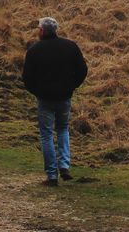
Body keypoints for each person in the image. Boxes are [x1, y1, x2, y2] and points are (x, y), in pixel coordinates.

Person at [21, 16, 88, 186]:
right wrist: (72, 86)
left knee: (46, 135)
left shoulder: (34, 50)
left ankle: (51, 175)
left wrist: (37, 91)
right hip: (64, 96)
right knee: (63, 129)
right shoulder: (70, 47)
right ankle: (64, 164)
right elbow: (82, 70)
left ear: (42, 31)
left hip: (44, 98)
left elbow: (27, 77)